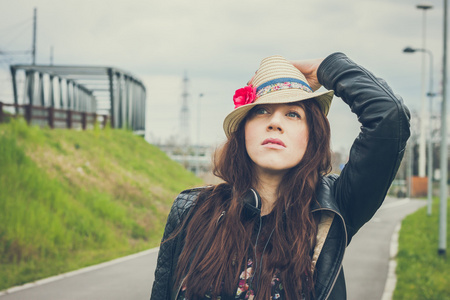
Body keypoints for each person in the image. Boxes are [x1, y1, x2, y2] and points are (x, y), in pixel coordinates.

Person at [150, 53, 410, 300]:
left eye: (293, 114)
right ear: (243, 132)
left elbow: (388, 115)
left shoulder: (334, 207)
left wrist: (324, 67)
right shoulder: (192, 209)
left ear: (312, 136)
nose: (275, 122)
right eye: (262, 111)